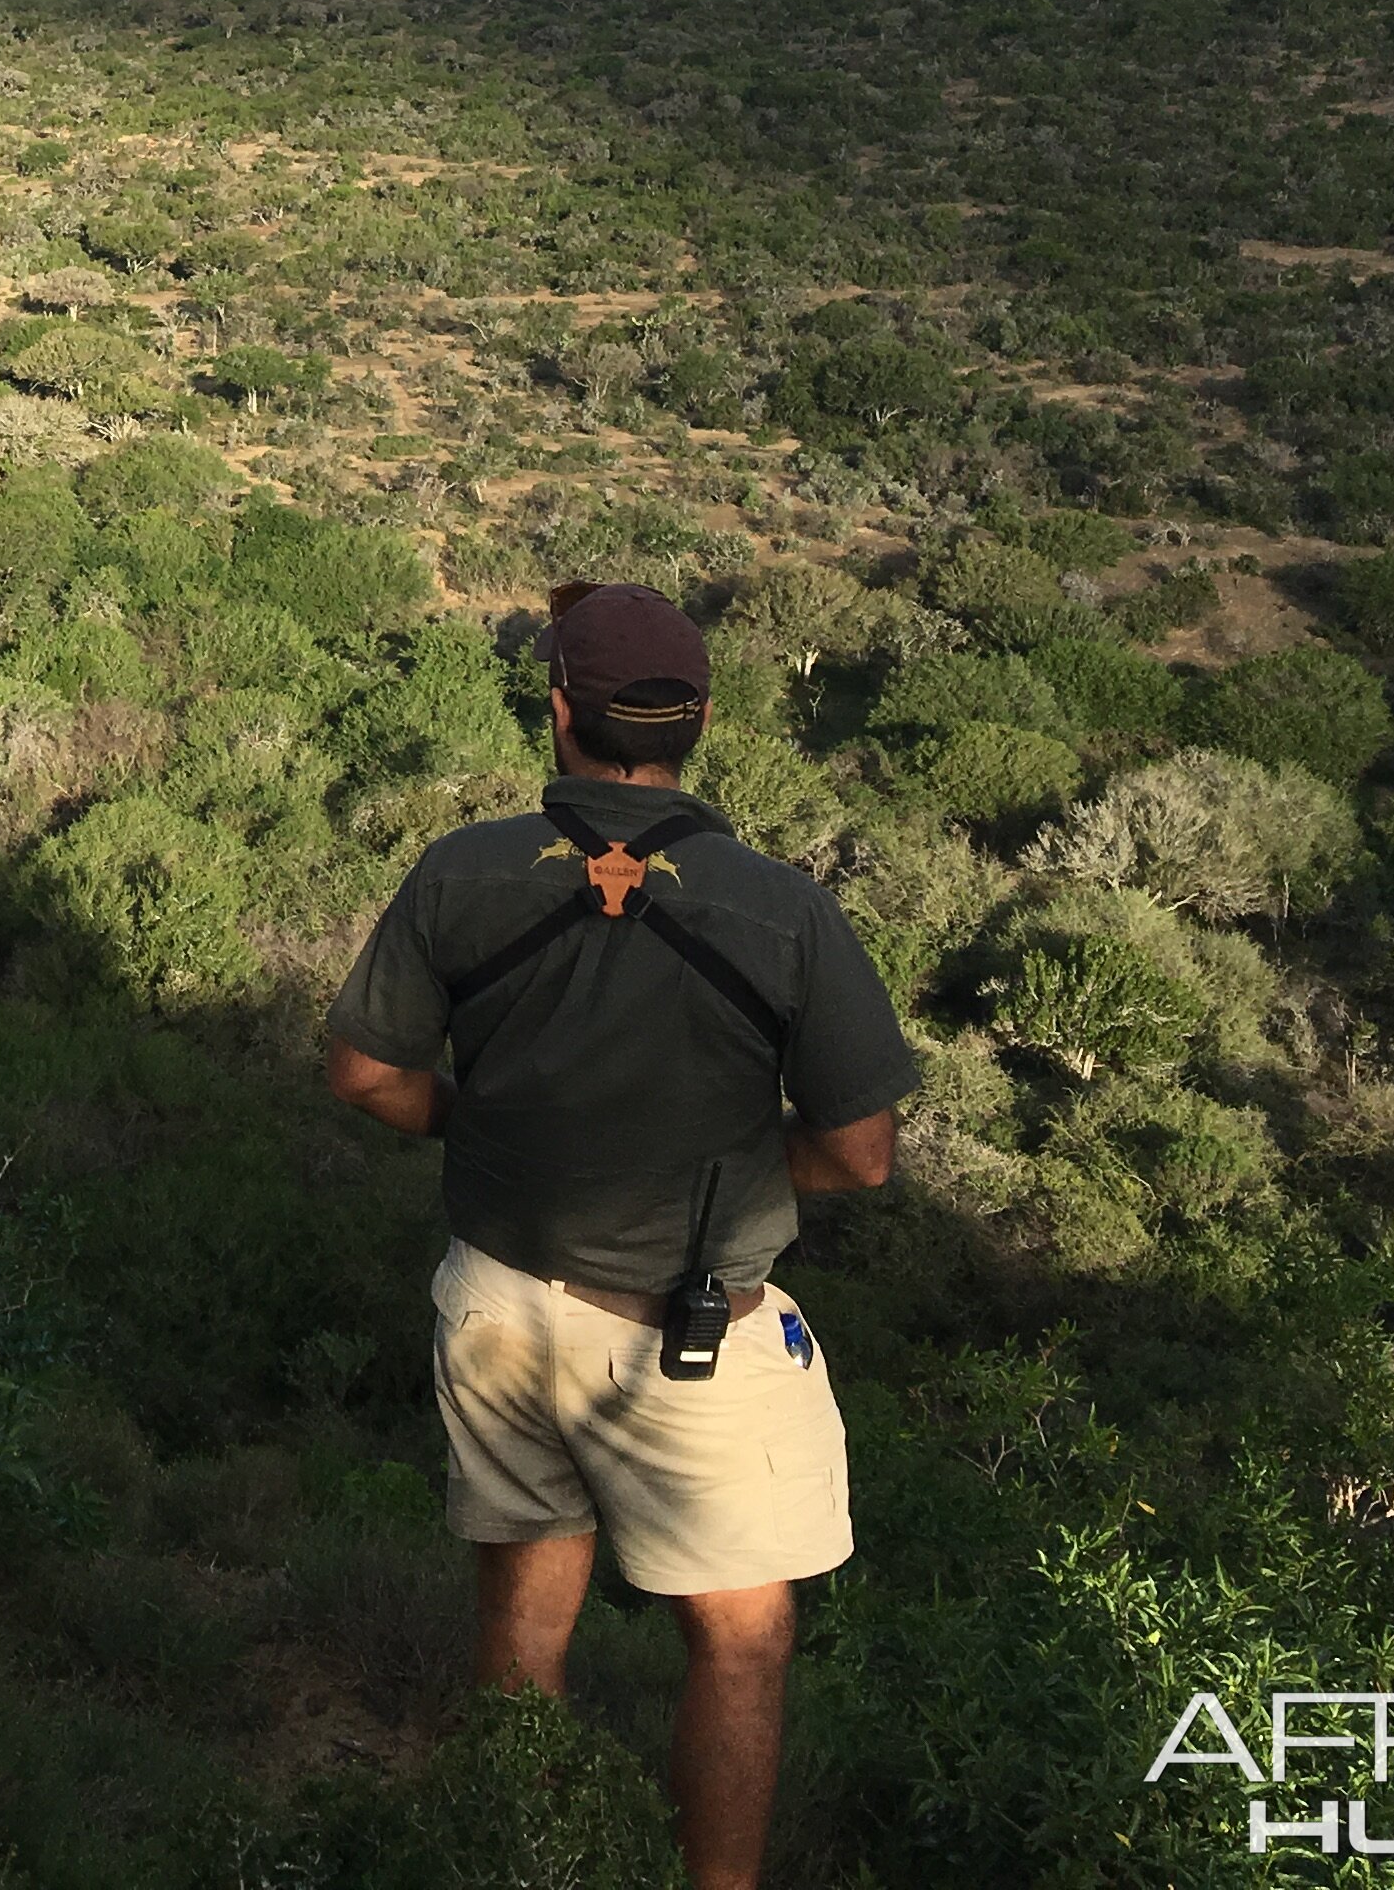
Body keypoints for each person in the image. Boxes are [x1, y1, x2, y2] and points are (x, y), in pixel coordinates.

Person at [323, 578, 919, 1890]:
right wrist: (727, 1168)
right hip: (690, 1331)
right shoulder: (785, 910)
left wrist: (487, 1131)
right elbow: (862, 1153)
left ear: (559, 714)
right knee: (743, 1640)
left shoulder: (461, 872)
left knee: (525, 1635)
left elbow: (365, 1077)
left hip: (495, 1306)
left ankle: (518, 1864)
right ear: (701, 720)